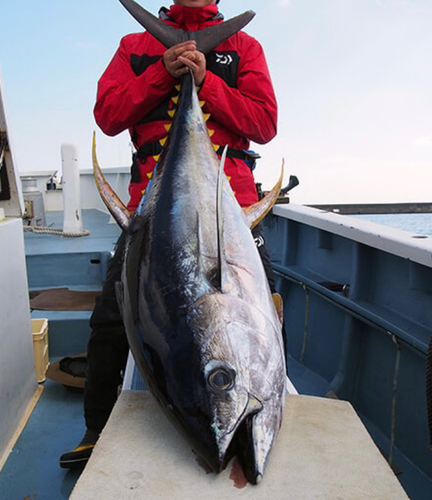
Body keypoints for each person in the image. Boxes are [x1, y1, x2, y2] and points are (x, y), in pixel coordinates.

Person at [60, 0, 278, 469]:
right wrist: (163, 70)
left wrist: (206, 81)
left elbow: (263, 124)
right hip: (156, 209)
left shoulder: (243, 48)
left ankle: (265, 407)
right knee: (112, 323)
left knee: (265, 315)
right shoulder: (136, 47)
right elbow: (109, 115)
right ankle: (96, 432)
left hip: (233, 212)